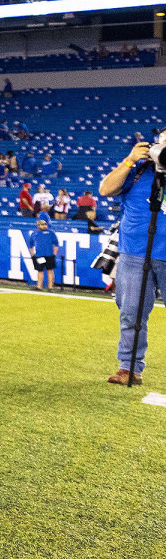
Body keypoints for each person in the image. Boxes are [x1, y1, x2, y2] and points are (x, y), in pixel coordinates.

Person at [99, 135, 166, 386]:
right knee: (131, 313)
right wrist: (129, 160)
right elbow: (105, 190)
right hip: (134, 253)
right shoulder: (137, 171)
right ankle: (129, 368)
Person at [26, 217, 59, 290]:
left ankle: (50, 287)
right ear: (38, 226)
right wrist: (32, 254)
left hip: (49, 255)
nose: (45, 226)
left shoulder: (51, 232)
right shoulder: (34, 233)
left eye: (45, 224)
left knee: (50, 270)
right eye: (43, 224)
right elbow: (30, 244)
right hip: (39, 255)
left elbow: (56, 244)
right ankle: (39, 286)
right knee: (40, 271)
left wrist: (54, 254)